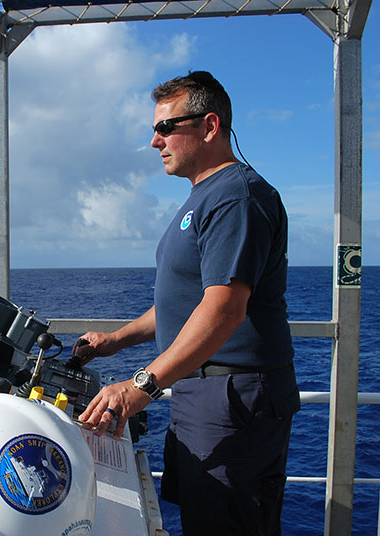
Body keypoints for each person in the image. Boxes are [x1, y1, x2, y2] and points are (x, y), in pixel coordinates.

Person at [74, 71, 300, 535]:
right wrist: (115, 340)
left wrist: (139, 387)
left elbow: (222, 309)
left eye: (164, 128)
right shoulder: (206, 197)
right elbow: (190, 302)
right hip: (206, 394)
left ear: (209, 126)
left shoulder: (237, 196)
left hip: (233, 400)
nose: (155, 141)